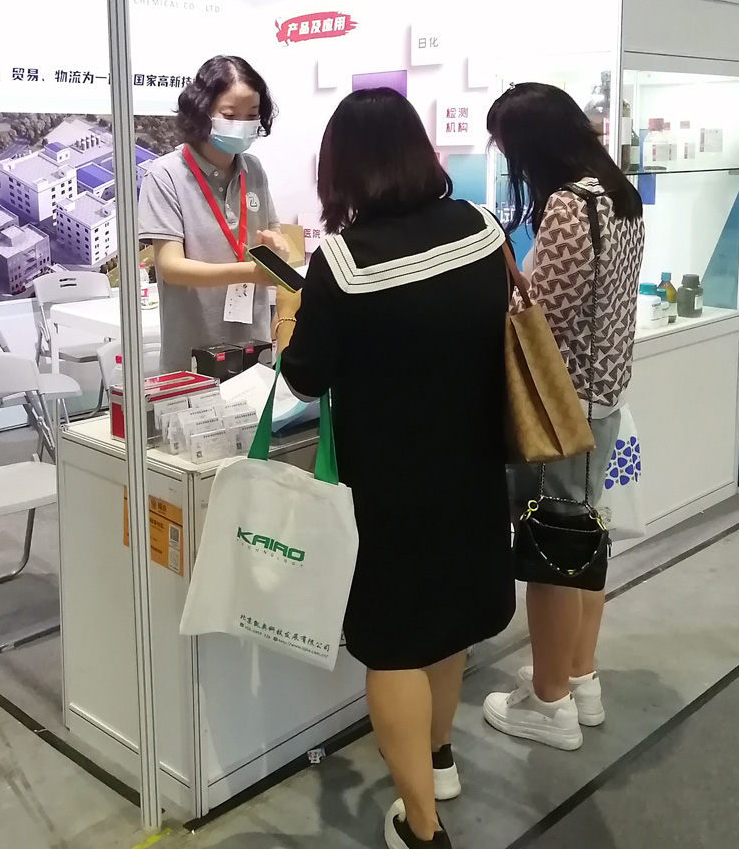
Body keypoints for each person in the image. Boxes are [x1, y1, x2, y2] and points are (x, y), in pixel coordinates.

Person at [276, 89, 515, 849]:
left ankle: (421, 824)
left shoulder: (343, 262)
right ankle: (437, 759)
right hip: (476, 466)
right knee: (449, 622)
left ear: (341, 169)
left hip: (389, 487)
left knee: (394, 646)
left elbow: (305, 377)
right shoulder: (481, 228)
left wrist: (289, 310)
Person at [481, 82, 645, 751]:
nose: (509, 163)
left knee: (551, 551)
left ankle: (549, 705)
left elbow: (540, 318)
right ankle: (579, 676)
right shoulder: (618, 195)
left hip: (561, 406)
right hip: (602, 399)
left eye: (508, 149)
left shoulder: (570, 207)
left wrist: (505, 277)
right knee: (582, 541)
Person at [137, 56, 287, 373]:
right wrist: (248, 272)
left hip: (254, 348)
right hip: (192, 355)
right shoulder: (166, 175)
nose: (242, 124)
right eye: (230, 115)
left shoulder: (253, 169)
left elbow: (274, 231)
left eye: (252, 116)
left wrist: (277, 249)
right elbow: (171, 267)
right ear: (201, 111)